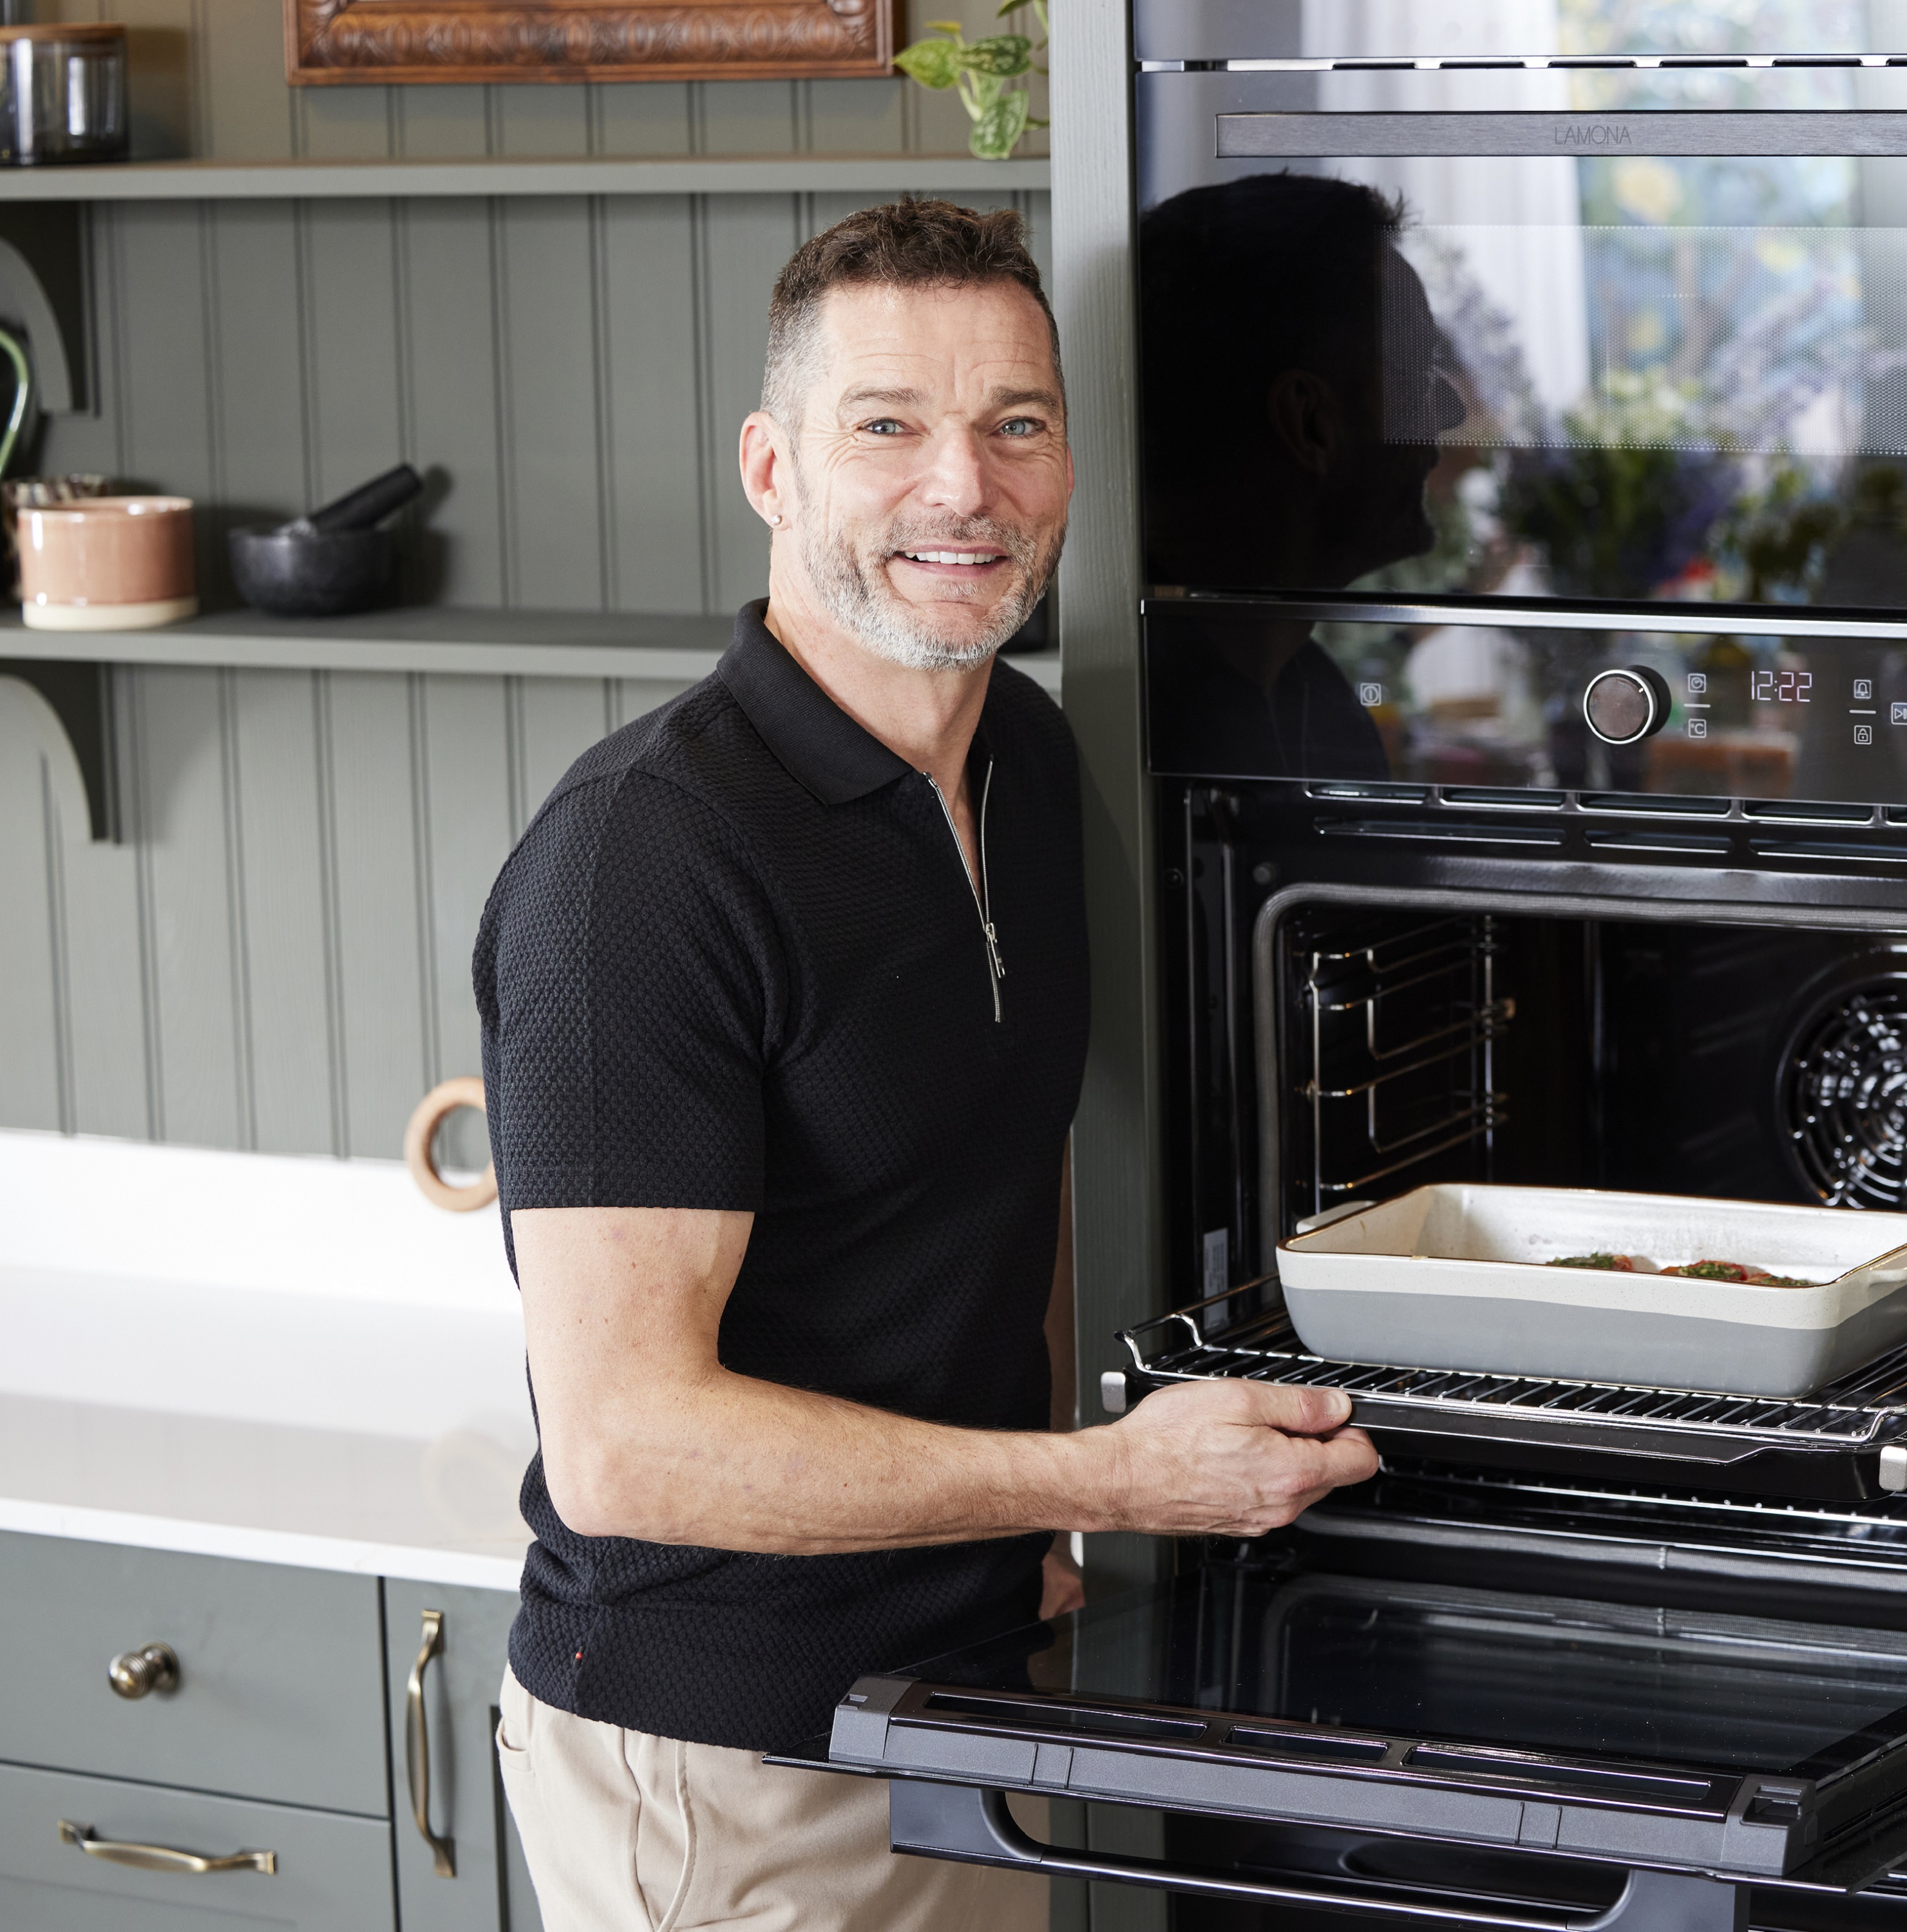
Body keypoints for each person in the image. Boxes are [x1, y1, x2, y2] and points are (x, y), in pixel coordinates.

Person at [473, 197, 1378, 1932]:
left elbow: (1002, 1174)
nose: (963, 488)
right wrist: (1102, 1482)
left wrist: (1034, 1536)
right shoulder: (645, 860)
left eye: (1015, 425)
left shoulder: (1024, 763)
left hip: (964, 1702)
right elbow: (628, 1448)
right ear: (772, 468)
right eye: (887, 426)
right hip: (731, 1764)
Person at [1139, 175, 1466, 779]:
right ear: (1312, 423)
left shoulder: (1312, 697)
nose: (1451, 411)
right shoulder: (1150, 734)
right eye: (1416, 371)